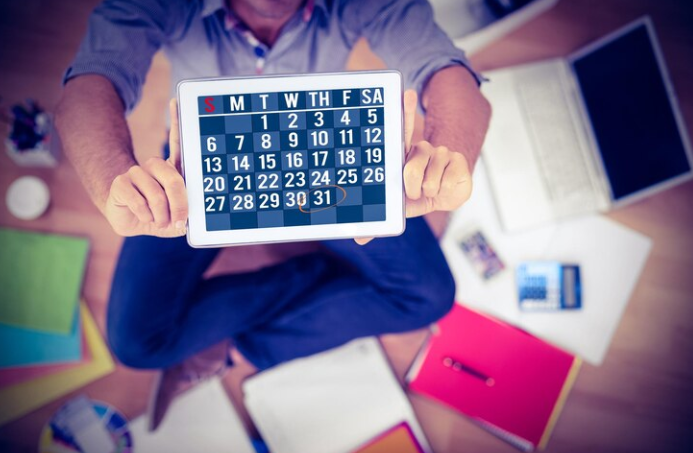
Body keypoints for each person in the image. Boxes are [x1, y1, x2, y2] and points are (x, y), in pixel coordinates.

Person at [55, 0, 491, 430]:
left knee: (431, 296)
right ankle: (318, 271)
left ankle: (238, 346)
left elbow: (446, 71)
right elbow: (88, 87)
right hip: (199, 167)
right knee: (134, 344)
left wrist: (453, 151)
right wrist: (110, 181)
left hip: (331, 158)